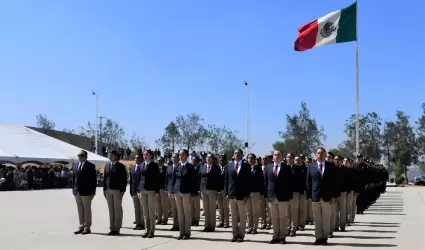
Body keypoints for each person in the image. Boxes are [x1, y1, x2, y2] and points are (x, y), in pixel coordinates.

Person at [306, 147, 337, 245]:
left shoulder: (331, 166)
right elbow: (308, 182)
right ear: (316, 154)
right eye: (318, 153)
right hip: (315, 196)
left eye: (322, 153)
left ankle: (325, 238)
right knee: (317, 218)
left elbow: (334, 183)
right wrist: (309, 196)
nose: (320, 155)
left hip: (327, 196)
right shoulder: (311, 166)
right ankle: (318, 237)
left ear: (325, 154)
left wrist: (333, 196)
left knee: (326, 218)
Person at [264, 150, 292, 244]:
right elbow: (266, 182)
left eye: (278, 155)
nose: (276, 156)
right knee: (274, 218)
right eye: (275, 155)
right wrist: (266, 195)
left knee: (282, 217)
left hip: (283, 197)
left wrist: (289, 196)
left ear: (281, 156)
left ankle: (282, 237)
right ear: (273, 156)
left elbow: (290, 183)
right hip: (272, 196)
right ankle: (275, 236)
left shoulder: (287, 168)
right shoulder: (268, 167)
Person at [224, 149, 251, 243]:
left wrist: (247, 195)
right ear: (233, 155)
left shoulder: (246, 166)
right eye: (235, 153)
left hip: (242, 195)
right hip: (231, 195)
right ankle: (234, 235)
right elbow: (226, 180)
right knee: (234, 216)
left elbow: (248, 182)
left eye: (239, 153)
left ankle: (241, 235)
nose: (237, 155)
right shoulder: (228, 165)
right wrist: (226, 193)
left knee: (242, 217)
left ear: (242, 155)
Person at [175, 149, 198, 240]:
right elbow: (174, 180)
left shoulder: (190, 167)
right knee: (180, 213)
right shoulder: (177, 167)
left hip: (187, 193)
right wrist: (173, 191)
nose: (180, 156)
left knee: (187, 213)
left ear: (187, 156)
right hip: (177, 192)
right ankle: (181, 232)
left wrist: (193, 193)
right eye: (179, 154)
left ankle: (187, 233)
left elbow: (194, 181)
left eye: (182, 154)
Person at [103, 150, 128, 236]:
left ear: (115, 156)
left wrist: (122, 191)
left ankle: (117, 228)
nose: (109, 156)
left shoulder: (121, 166)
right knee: (111, 210)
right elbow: (105, 178)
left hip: (117, 190)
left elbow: (124, 180)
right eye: (109, 155)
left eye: (111, 155)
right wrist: (104, 190)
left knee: (117, 209)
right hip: (108, 190)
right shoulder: (107, 166)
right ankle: (112, 227)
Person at [72, 150, 97, 235]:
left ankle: (87, 227)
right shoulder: (75, 165)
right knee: (80, 209)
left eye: (82, 155)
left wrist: (93, 192)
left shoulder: (90, 166)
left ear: (86, 156)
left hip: (86, 191)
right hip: (77, 191)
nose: (80, 157)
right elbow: (73, 178)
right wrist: (73, 189)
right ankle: (81, 226)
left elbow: (94, 180)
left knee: (87, 209)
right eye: (78, 155)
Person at [138, 149, 161, 238]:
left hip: (151, 190)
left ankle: (151, 230)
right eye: (144, 154)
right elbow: (139, 177)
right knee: (145, 211)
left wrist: (157, 191)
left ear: (150, 155)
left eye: (147, 154)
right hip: (142, 189)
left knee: (151, 211)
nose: (145, 156)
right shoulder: (141, 165)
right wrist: (138, 189)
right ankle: (146, 230)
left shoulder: (155, 165)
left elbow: (157, 178)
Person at [199, 153, 221, 232]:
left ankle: (212, 225)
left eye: (210, 158)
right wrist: (199, 189)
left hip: (212, 190)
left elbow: (219, 180)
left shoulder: (217, 168)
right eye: (207, 158)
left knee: (212, 209)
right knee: (206, 209)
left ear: (213, 159)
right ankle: (206, 225)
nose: (209, 159)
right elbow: (199, 178)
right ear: (205, 159)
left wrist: (218, 190)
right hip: (203, 190)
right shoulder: (202, 167)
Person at [246, 153, 264, 234]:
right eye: (249, 158)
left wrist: (261, 193)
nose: (250, 159)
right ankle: (249, 227)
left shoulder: (258, 168)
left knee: (255, 212)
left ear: (254, 159)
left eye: (252, 158)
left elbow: (261, 181)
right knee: (248, 212)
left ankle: (255, 228)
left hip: (255, 192)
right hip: (247, 193)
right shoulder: (244, 168)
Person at [129, 155, 144, 230]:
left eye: (138, 158)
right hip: (134, 190)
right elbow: (131, 181)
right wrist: (131, 191)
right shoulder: (132, 168)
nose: (136, 159)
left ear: (141, 159)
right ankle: (138, 223)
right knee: (136, 208)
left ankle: (142, 223)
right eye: (135, 158)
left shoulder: (143, 167)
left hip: (141, 190)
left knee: (142, 208)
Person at [165, 153, 180, 231]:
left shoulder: (180, 167)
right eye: (173, 157)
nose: (174, 158)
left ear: (178, 158)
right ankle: (175, 224)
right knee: (173, 208)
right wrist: (166, 189)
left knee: (179, 208)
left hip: (178, 191)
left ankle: (180, 224)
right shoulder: (169, 168)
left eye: (175, 157)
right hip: (170, 190)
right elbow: (167, 179)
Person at [156, 157, 169, 225]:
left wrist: (167, 189)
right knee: (158, 205)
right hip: (157, 189)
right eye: (158, 161)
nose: (159, 162)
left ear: (163, 161)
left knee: (164, 205)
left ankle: (165, 219)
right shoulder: (155, 169)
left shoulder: (166, 169)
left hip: (163, 189)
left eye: (160, 161)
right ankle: (159, 219)